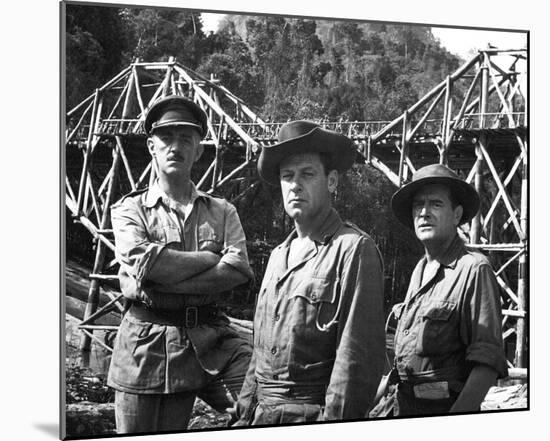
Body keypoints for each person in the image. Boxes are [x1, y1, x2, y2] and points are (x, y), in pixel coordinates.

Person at [107, 95, 254, 433]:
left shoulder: (222, 211)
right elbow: (149, 264)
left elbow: (238, 269)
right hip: (146, 348)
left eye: (186, 138)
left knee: (265, 400)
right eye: (167, 137)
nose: (176, 146)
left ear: (199, 150)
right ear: (151, 147)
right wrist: (208, 259)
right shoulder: (130, 210)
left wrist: (158, 280)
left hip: (211, 341)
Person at [234, 120, 386, 425]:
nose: (295, 185)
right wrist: (242, 413)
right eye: (287, 176)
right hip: (259, 417)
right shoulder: (278, 256)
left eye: (307, 174)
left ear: (331, 181)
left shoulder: (353, 249)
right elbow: (259, 355)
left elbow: (355, 361)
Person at [371, 164, 508, 417]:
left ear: (456, 215)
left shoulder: (474, 269)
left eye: (435, 204)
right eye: (417, 205)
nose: (424, 212)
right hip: (401, 406)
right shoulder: (420, 270)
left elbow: (487, 363)